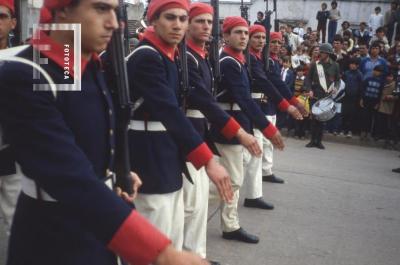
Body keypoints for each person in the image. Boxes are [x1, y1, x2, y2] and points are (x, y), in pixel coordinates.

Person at [0, 0, 211, 264]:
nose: (113, 22)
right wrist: (161, 252)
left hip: (94, 227)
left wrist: (113, 170)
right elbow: (67, 174)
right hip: (54, 237)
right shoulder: (29, 72)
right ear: (62, 11)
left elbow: (86, 129)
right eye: (100, 8)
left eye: (113, 10)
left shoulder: (85, 63)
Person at [125, 0, 233, 252]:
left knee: (170, 235)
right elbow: (169, 111)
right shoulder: (148, 56)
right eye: (170, 18)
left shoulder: (165, 55)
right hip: (150, 158)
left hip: (165, 156)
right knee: (152, 240)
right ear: (153, 20)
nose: (178, 25)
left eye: (183, 19)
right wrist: (208, 160)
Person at [183, 3, 261, 261]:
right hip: (194, 131)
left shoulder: (202, 57)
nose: (206, 26)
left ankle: (195, 252)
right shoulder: (184, 57)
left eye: (209, 22)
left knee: (196, 201)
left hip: (201, 128)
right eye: (199, 21)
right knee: (189, 202)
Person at [210, 16, 284, 244]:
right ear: (226, 35)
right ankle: (226, 224)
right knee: (231, 181)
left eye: (245, 33)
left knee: (234, 179)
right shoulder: (229, 62)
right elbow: (243, 98)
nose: (243, 37)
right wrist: (267, 127)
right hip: (229, 126)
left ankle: (229, 223)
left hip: (237, 122)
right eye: (238, 33)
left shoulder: (236, 59)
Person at [245, 24, 302, 210]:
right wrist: (289, 105)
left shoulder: (261, 58)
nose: (263, 41)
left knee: (257, 151)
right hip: (254, 107)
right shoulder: (253, 59)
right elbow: (265, 82)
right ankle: (253, 194)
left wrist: (291, 102)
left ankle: (255, 193)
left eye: (264, 38)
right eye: (258, 37)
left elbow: (274, 83)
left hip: (262, 105)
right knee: (254, 152)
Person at [262, 31, 309, 183]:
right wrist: (293, 103)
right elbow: (277, 84)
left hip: (272, 104)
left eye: (279, 43)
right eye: (273, 42)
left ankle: (266, 170)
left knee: (268, 141)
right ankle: (263, 171)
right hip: (264, 104)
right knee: (265, 141)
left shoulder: (274, 61)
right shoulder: (266, 60)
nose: (276, 46)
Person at [0, 0, 21, 236]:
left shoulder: (27, 57)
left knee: (18, 227)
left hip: (13, 155)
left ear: (13, 22)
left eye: (1, 16)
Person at [305, 43, 340, 149]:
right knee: (314, 119)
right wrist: (309, 89)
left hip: (326, 95)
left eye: (323, 52)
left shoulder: (335, 65)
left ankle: (319, 141)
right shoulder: (315, 64)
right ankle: (312, 140)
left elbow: (338, 80)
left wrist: (336, 88)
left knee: (323, 120)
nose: (321, 54)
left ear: (328, 53)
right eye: (321, 52)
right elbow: (308, 79)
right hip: (315, 94)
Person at [359, 65, 385, 140]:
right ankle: (362, 132)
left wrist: (378, 103)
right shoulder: (368, 79)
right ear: (373, 71)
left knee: (371, 118)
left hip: (374, 102)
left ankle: (368, 133)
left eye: (378, 71)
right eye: (375, 70)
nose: (376, 72)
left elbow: (380, 94)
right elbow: (363, 90)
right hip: (366, 100)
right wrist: (361, 99)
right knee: (364, 117)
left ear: (380, 73)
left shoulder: (381, 82)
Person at [342, 57, 363, 138]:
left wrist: (360, 97)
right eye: (351, 64)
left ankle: (350, 131)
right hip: (345, 96)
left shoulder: (359, 74)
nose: (352, 66)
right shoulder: (346, 73)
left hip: (355, 98)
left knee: (352, 114)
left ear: (357, 65)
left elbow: (361, 87)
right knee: (345, 113)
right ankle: (344, 130)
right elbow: (342, 84)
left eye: (354, 64)